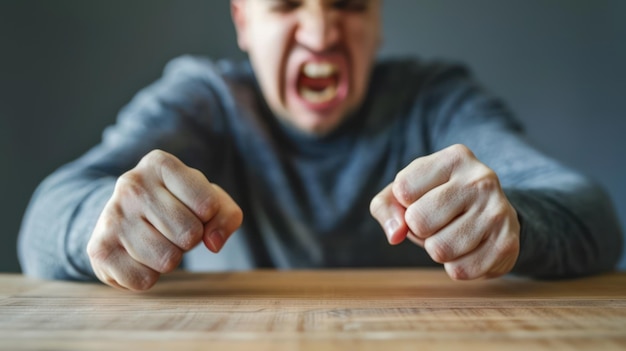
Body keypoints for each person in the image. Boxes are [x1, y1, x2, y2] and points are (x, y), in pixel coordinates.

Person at [18, 0, 623, 291]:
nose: (321, 32)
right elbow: (44, 221)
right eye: (285, 5)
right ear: (243, 20)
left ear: (377, 18)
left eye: (349, 5)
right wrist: (102, 223)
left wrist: (514, 222)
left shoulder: (435, 98)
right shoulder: (206, 97)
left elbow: (591, 213)